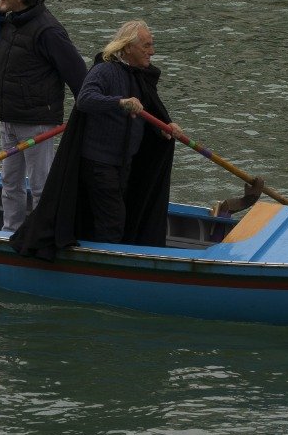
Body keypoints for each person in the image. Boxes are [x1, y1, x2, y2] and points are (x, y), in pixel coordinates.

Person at [12, 21, 179, 258]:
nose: (151, 51)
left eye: (152, 45)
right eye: (146, 46)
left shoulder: (141, 76)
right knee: (113, 221)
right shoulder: (104, 70)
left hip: (124, 164)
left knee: (118, 216)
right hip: (99, 164)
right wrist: (119, 102)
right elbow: (85, 99)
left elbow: (150, 112)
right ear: (128, 47)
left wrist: (165, 128)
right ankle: (103, 267)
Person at [0, 0, 86, 232]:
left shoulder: (48, 31)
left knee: (40, 185)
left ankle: (42, 233)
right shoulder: (9, 21)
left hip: (38, 121)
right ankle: (11, 230)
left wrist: (84, 113)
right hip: (8, 116)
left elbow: (77, 73)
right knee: (10, 182)